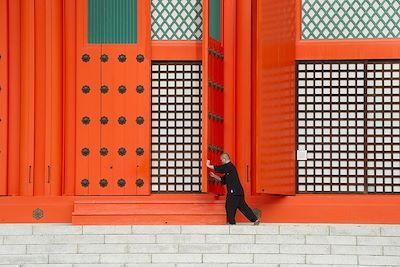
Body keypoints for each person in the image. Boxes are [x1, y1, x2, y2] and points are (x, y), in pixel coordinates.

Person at [206, 153, 261, 225]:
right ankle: (255, 220)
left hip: (234, 192)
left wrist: (208, 165)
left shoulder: (229, 166)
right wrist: (214, 176)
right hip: (238, 192)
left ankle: (231, 223)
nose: (221, 161)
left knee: (229, 206)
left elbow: (221, 168)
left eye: (221, 160)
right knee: (243, 207)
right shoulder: (229, 169)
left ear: (224, 159)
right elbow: (223, 180)